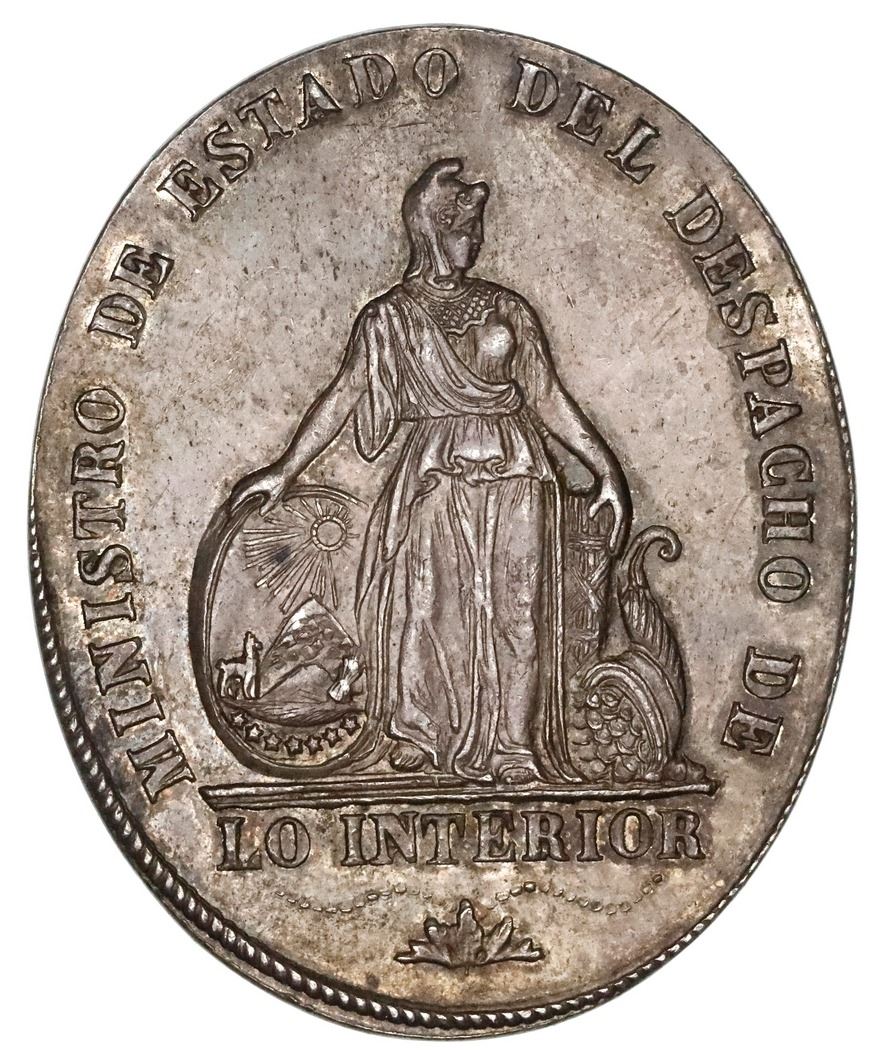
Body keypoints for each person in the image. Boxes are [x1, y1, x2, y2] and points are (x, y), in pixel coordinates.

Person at [231, 158, 629, 784]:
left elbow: (547, 395)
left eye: (479, 227)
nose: (477, 239)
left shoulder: (508, 309)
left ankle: (512, 746)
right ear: (433, 228)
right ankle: (418, 729)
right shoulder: (388, 317)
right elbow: (344, 395)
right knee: (423, 602)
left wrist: (606, 470)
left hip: (517, 471)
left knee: (518, 610)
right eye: (465, 227)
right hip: (433, 474)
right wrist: (286, 469)